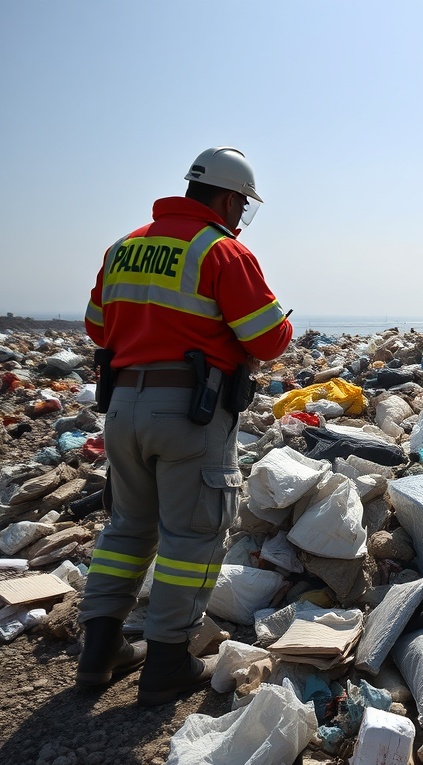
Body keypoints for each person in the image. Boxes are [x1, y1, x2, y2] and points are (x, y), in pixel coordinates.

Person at [77, 147, 293, 705]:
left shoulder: (124, 247)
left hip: (123, 409)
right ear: (227, 198)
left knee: (127, 528)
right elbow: (267, 339)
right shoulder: (220, 251)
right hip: (190, 413)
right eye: (242, 204)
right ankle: (168, 659)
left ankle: (99, 652)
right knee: (191, 537)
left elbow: (97, 328)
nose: (241, 214)